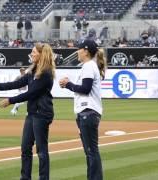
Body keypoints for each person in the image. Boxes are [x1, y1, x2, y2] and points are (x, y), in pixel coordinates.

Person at [0, 43, 56, 180]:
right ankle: (25, 177)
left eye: (33, 52)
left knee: (41, 151)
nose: (31, 54)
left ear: (41, 54)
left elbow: (30, 93)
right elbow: (16, 84)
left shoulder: (46, 73)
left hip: (42, 114)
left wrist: (10, 100)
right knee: (25, 148)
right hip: (32, 113)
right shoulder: (33, 71)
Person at [59, 39, 106, 180]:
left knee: (91, 151)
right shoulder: (89, 66)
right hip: (86, 113)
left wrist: (68, 85)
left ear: (85, 51)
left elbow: (85, 89)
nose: (77, 52)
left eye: (79, 49)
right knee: (90, 152)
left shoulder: (89, 66)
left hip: (88, 112)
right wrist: (69, 84)